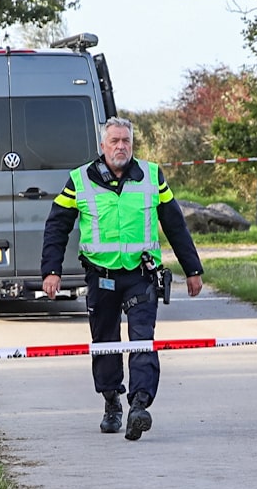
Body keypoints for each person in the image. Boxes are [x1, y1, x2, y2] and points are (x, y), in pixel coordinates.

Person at [42, 117, 205, 439]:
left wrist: (193, 269)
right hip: (100, 277)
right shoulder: (80, 179)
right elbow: (56, 226)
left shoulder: (151, 175)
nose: (121, 147)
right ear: (102, 146)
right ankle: (111, 400)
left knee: (143, 338)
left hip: (140, 275)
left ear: (132, 144)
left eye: (126, 141)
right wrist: (51, 270)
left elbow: (175, 224)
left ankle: (140, 404)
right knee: (105, 343)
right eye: (114, 141)